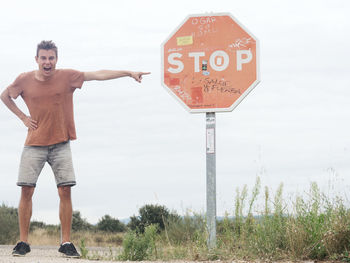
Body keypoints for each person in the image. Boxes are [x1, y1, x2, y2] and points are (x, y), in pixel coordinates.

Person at [0, 40, 150, 258]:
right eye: (43, 58)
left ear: (56, 59)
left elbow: (97, 74)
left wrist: (128, 72)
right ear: (37, 59)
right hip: (34, 143)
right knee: (26, 189)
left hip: (61, 142)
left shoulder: (67, 76)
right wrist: (23, 117)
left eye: (51, 58)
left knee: (65, 190)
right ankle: (23, 242)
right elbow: (5, 96)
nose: (47, 62)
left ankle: (66, 242)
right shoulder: (24, 79)